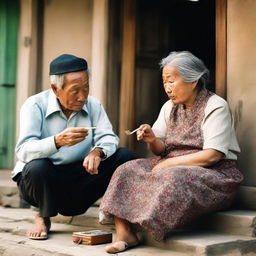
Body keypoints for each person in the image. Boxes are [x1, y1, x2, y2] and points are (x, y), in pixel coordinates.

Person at [100, 51, 243, 253]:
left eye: (171, 81)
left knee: (173, 177)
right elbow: (161, 149)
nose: (167, 88)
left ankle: (150, 221)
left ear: (193, 81)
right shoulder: (170, 107)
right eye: (164, 82)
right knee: (126, 169)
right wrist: (152, 139)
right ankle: (125, 234)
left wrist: (168, 164)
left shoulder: (215, 105)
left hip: (215, 173)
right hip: (173, 162)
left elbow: (213, 155)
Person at [12, 54, 135, 240]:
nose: (83, 96)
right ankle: (43, 216)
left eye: (86, 88)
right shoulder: (34, 105)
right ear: (55, 89)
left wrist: (97, 152)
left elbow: (108, 136)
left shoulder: (93, 105)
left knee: (125, 156)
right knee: (38, 166)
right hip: (42, 182)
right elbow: (23, 150)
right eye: (75, 90)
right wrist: (57, 142)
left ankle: (119, 215)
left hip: (79, 179)